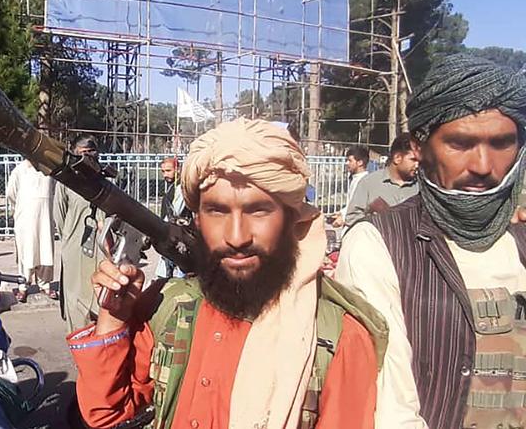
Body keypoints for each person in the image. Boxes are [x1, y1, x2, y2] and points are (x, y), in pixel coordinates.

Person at [68, 118, 388, 429]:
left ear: (292, 219)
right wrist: (114, 319)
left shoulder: (338, 339)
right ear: (197, 220)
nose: (236, 236)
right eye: (217, 211)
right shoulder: (171, 307)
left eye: (258, 210)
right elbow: (107, 414)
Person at [335, 54, 526, 429]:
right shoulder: (378, 245)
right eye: (460, 144)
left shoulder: (518, 240)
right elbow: (390, 408)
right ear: (421, 149)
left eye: (502, 143)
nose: (483, 165)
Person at [54, 135, 104, 332]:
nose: (88, 157)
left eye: (92, 152)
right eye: (83, 153)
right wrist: (70, 238)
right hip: (75, 248)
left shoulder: (105, 181)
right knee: (75, 299)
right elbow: (59, 217)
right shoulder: (66, 182)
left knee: (99, 297)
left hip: (101, 249)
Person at [6, 159, 55, 303]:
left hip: (45, 217)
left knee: (45, 250)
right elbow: (11, 194)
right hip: (25, 218)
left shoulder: (49, 170)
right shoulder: (19, 170)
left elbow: (53, 191)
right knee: (26, 251)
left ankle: (45, 284)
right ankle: (23, 285)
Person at [344, 133, 419, 226]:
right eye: (413, 160)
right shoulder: (369, 183)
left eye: (419, 161)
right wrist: (377, 220)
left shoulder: (421, 187)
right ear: (397, 158)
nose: (417, 165)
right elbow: (351, 218)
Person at [154, 157, 192, 280]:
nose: (165, 174)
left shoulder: (181, 187)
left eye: (168, 170)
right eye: (163, 171)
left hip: (179, 235)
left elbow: (174, 213)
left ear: (178, 170)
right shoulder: (172, 187)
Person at [330, 145, 370, 228]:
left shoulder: (364, 181)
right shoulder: (355, 179)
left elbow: (359, 207)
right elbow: (351, 203)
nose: (347, 163)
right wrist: (341, 212)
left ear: (360, 163)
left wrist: (343, 218)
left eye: (350, 160)